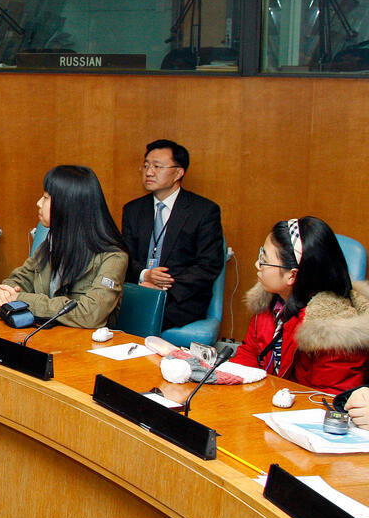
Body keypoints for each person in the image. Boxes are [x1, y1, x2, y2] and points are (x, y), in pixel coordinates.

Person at [230, 217, 369, 393]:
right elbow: (249, 353)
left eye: (264, 259)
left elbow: (326, 399)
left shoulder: (335, 331)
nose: (257, 264)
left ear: (292, 275)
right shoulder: (273, 299)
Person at [0, 165, 128, 329]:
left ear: (68, 205)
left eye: (46, 197)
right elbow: (19, 279)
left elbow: (90, 314)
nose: (39, 203)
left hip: (82, 342)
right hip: (44, 335)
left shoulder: (113, 256)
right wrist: (5, 294)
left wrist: (21, 299)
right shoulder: (52, 242)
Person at [121, 140, 225, 329]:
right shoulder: (133, 210)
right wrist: (145, 275)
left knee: (138, 319)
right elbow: (124, 256)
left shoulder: (204, 211)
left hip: (180, 299)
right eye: (146, 166)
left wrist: (163, 288)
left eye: (157, 166)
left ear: (178, 173)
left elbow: (208, 265)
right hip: (139, 290)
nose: (149, 172)